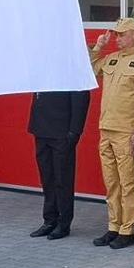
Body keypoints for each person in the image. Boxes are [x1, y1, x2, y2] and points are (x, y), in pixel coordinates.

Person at [88, 18, 134, 249]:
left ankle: (127, 230)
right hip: (106, 128)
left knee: (128, 183)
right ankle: (113, 226)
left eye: (122, 34)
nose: (118, 38)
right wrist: (99, 46)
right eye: (116, 35)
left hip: (127, 131)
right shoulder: (111, 59)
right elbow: (88, 68)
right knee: (111, 183)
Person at [27, 89, 91, 240]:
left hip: (62, 131)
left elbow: (81, 97)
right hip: (42, 129)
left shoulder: (71, 70)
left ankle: (64, 223)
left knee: (63, 179)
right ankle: (49, 220)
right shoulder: (44, 70)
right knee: (47, 179)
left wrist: (75, 131)